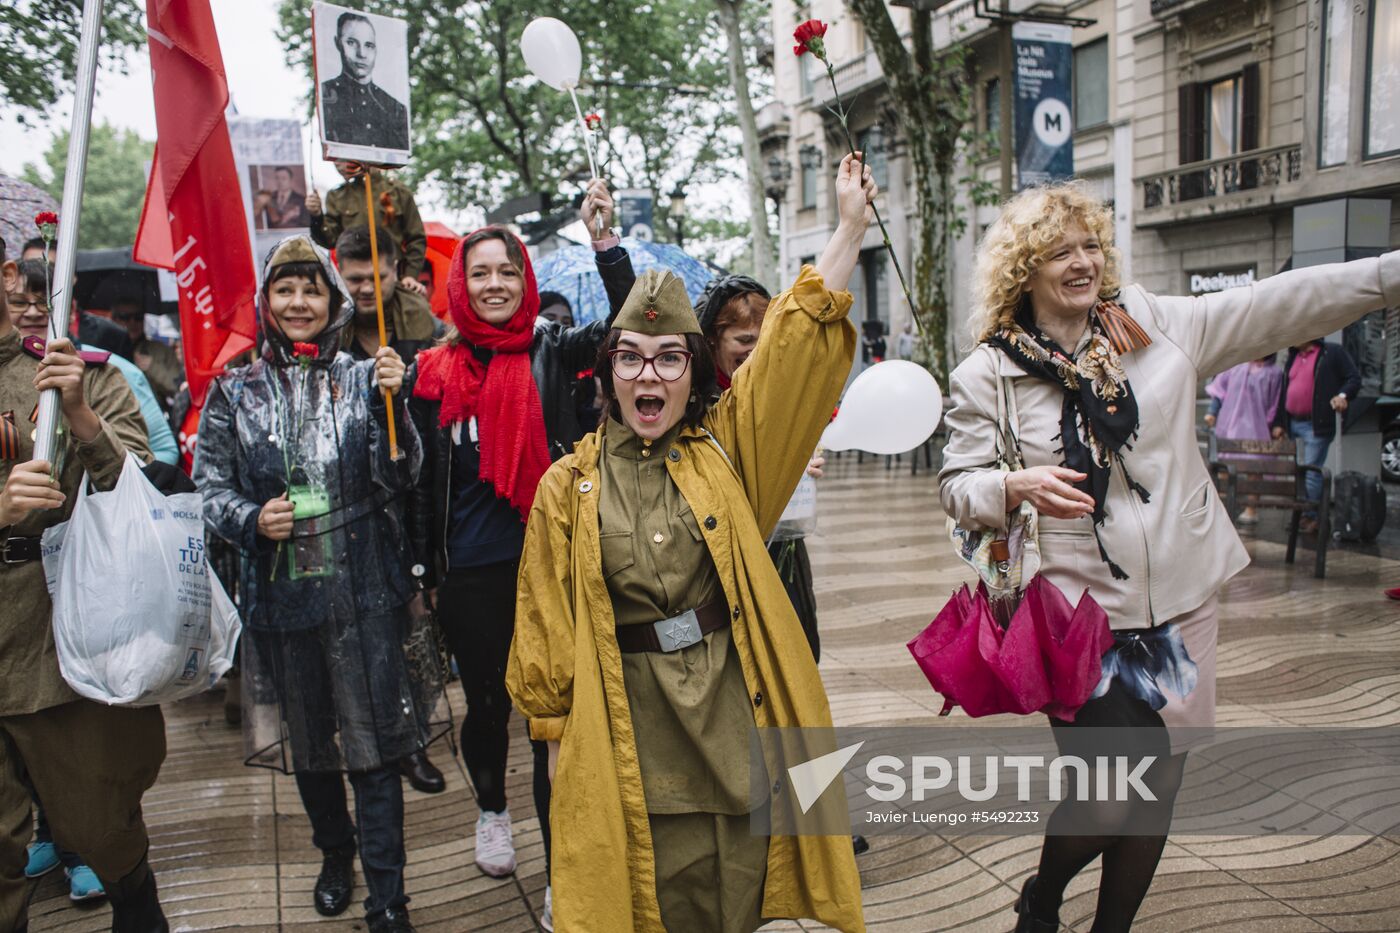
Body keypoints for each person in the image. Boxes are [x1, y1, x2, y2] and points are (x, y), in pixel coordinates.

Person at [939, 182, 1399, 933]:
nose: (1083, 262)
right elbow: (957, 487)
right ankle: (1044, 896)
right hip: (1074, 617)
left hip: (1182, 606)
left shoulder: (1153, 326)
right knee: (1112, 794)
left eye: (1091, 245)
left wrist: (1387, 275)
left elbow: (1285, 300)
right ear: (1024, 270)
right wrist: (1011, 483)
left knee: (1158, 788)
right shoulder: (988, 373)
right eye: (1060, 251)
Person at [506, 153, 876, 933]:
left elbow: (788, 353)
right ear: (606, 373)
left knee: (739, 892)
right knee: (649, 900)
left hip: (732, 716)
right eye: (631, 356)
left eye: (670, 356)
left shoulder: (728, 454)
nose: (651, 374)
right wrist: (564, 793)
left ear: (692, 370)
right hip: (629, 728)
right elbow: (544, 650)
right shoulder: (562, 490)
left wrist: (848, 228)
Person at [195, 236, 439, 933]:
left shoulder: (369, 377)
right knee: (313, 744)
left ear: (334, 301)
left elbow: (402, 476)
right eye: (285, 289)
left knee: (380, 742)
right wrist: (250, 516)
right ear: (266, 302)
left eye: (313, 290)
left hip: (367, 592)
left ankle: (389, 897)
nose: (299, 302)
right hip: (284, 597)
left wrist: (398, 405)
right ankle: (335, 852)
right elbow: (208, 487)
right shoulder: (233, 389)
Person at [405, 180, 634, 916]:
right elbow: (415, 483)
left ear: (525, 279)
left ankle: (560, 859)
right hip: (469, 573)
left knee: (554, 719)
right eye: (482, 272)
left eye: (508, 270)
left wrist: (605, 242)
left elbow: (631, 324)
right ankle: (491, 810)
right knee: (486, 706)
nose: (496, 283)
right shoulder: (427, 374)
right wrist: (424, 569)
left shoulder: (554, 351)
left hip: (554, 564)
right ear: (460, 284)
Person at [0, 238, 170, 932]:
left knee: (99, 816)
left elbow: (142, 488)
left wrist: (79, 417)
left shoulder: (79, 371)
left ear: (9, 275)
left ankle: (137, 901)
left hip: (58, 630)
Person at [11, 261, 178, 466]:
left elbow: (163, 450)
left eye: (46, 303)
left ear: (71, 309)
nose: (33, 312)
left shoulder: (111, 371)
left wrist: (101, 482)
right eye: (18, 303)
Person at [1270, 339, 1361, 535]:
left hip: (1316, 424)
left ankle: (1313, 517)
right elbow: (1284, 391)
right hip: (1293, 422)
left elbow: (1353, 378)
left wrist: (1342, 396)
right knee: (1300, 472)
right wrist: (1279, 423)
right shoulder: (1293, 356)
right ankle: (1306, 515)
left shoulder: (1332, 352)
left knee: (1311, 472)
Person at [309, 161, 426, 294]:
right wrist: (316, 217)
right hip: (355, 284)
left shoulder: (398, 192)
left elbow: (416, 239)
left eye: (342, 158)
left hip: (392, 280)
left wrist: (410, 275)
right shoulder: (338, 196)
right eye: (334, 160)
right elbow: (329, 240)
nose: (337, 164)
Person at [337, 225, 437, 365]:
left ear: (395, 270)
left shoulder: (430, 328)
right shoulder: (326, 325)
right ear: (339, 273)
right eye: (356, 279)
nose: (367, 289)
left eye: (377, 278)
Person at [21, 237, 134, 360]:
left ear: (72, 277)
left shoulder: (110, 333)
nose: (38, 276)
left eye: (49, 269)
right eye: (29, 268)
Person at [1204, 355, 1284, 524]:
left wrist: (1277, 424)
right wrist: (1212, 412)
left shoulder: (1274, 373)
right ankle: (1223, 507)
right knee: (1225, 465)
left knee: (1255, 469)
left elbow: (1277, 403)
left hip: (1258, 427)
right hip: (1230, 425)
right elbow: (1219, 392)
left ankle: (1251, 508)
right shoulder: (1235, 366)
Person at [320, 11, 410, 151]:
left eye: (369, 45)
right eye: (351, 43)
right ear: (337, 43)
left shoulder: (396, 109)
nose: (361, 54)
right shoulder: (324, 93)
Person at [109, 297, 184, 408]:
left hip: (150, 415)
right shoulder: (105, 350)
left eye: (138, 317)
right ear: (114, 319)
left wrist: (152, 367)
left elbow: (178, 388)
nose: (132, 322)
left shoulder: (160, 350)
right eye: (125, 317)